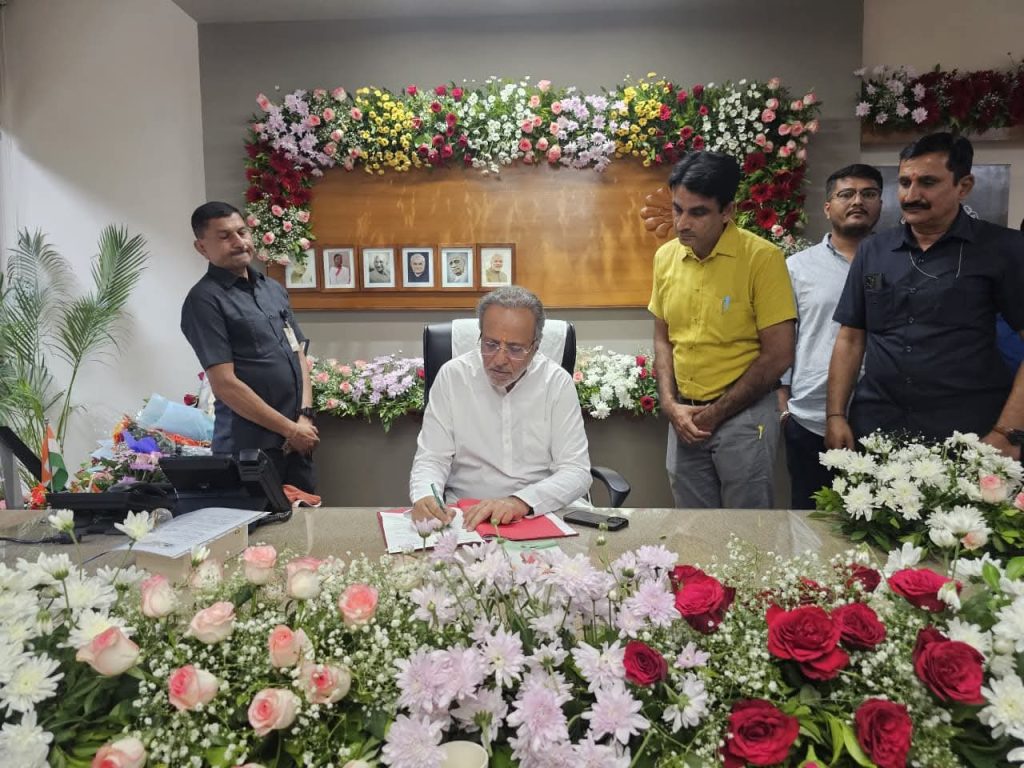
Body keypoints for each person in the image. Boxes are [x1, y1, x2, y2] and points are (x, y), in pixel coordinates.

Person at [827, 132, 1024, 458]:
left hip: (968, 434)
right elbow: (850, 337)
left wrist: (1007, 431)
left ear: (964, 186)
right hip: (878, 427)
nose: (911, 195)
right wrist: (835, 414)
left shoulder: (1004, 249)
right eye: (905, 182)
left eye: (928, 183)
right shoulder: (874, 250)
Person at [649, 151, 796, 509]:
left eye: (697, 212)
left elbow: (779, 354)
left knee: (747, 529)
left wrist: (714, 414)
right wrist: (670, 404)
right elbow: (663, 339)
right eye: (677, 209)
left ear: (727, 210)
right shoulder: (665, 257)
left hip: (744, 415)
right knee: (692, 526)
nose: (682, 223)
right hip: (684, 417)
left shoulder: (762, 258)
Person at [410, 285, 592, 529]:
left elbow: (576, 471)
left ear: (535, 347)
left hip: (537, 511)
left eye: (515, 349)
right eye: (490, 344)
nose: (499, 359)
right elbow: (432, 457)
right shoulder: (453, 376)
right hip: (465, 514)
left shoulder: (556, 382)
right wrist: (425, 495)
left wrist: (520, 502)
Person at [181, 201, 319, 492]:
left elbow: (299, 355)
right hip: (249, 450)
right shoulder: (204, 300)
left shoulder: (272, 289)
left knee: (305, 518)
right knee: (258, 523)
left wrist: (305, 417)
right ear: (201, 247)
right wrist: (291, 430)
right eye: (224, 236)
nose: (238, 242)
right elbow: (225, 385)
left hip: (297, 443)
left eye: (242, 232)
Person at [778, 164, 883, 509]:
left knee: (880, 519)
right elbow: (784, 338)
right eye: (846, 194)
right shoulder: (797, 267)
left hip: (882, 415)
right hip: (811, 416)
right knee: (811, 520)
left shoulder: (897, 263)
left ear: (881, 204)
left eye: (868, 194)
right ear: (827, 207)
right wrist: (784, 409)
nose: (858, 201)